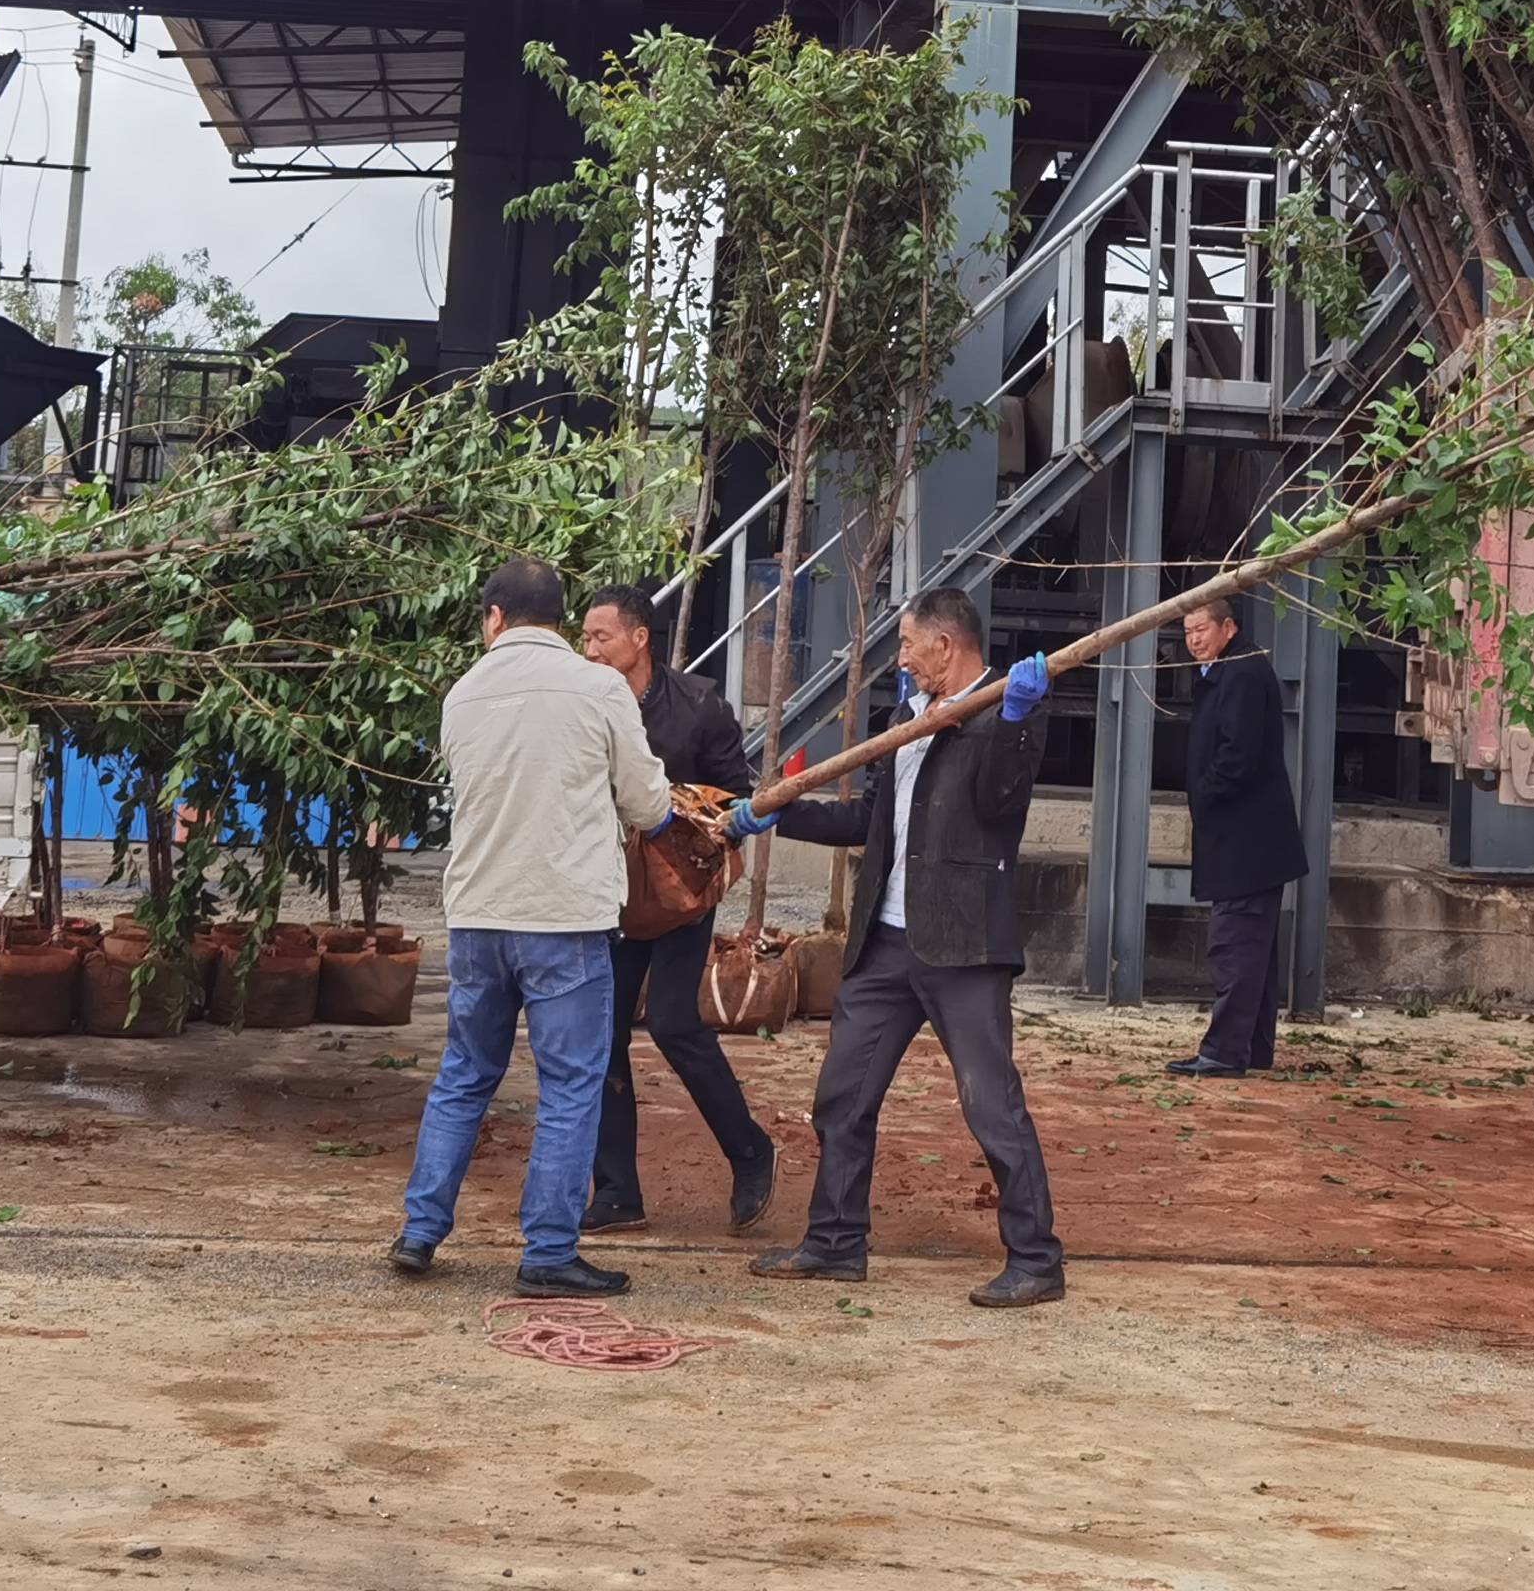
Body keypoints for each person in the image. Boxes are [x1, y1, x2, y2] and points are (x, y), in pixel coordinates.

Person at [737, 587, 1066, 1308]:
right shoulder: (907, 718)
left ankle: (1036, 1259)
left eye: (910, 645)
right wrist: (781, 815)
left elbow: (1001, 805)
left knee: (991, 1104)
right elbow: (870, 820)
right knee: (843, 1096)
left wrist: (1014, 720)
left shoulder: (1007, 708)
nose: (903, 660)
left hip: (964, 945)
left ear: (945, 645)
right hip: (884, 943)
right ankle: (834, 1242)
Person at [389, 556, 674, 1296]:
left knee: (464, 1074)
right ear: (561, 619)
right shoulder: (599, 688)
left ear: (493, 617)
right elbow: (648, 804)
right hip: (565, 919)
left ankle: (420, 1230)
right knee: (571, 1086)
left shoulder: (463, 694)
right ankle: (547, 1252)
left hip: (478, 916)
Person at [574, 582, 778, 1239]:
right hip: (611, 893)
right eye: (584, 637)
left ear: (640, 639)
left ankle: (751, 1152)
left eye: (601, 637)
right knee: (601, 1033)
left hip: (682, 894)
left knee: (672, 1022)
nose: (589, 649)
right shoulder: (580, 703)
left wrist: (699, 825)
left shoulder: (699, 706)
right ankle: (617, 1193)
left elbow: (737, 799)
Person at [1168, 591, 1309, 1077]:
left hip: (1246, 837)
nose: (1193, 641)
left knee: (1236, 944)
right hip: (1250, 837)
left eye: (1201, 630)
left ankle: (1225, 1052)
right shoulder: (1229, 669)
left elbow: (1238, 754)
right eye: (1187, 633)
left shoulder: (1242, 672)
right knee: (1255, 952)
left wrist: (1206, 795)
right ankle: (1252, 1048)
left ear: (1228, 628)